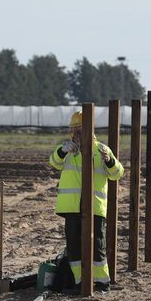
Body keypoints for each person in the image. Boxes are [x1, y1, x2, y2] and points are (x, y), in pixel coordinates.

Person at [49, 111, 125, 291]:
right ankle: (79, 281)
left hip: (95, 207)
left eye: (79, 129)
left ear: (88, 130)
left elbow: (117, 173)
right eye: (73, 129)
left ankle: (102, 282)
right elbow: (53, 163)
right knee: (74, 246)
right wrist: (62, 150)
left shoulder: (101, 150)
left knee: (96, 244)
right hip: (71, 206)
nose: (75, 132)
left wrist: (109, 160)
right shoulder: (67, 149)